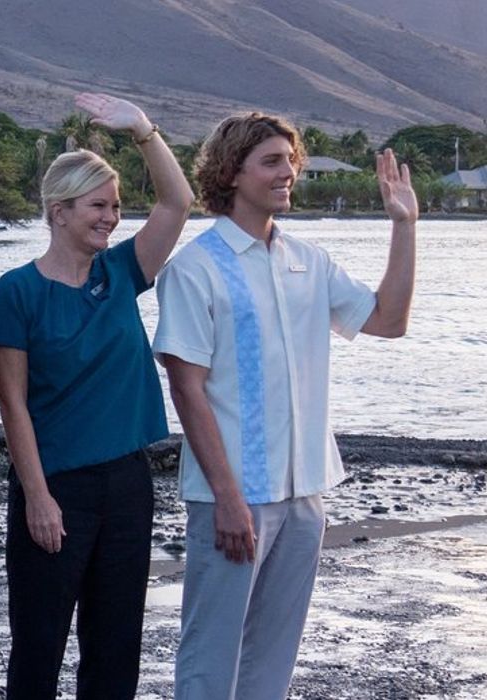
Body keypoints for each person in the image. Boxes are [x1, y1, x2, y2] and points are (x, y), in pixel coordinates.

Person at [153, 113, 418, 699]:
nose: (289, 172)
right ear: (231, 172)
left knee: (275, 656)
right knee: (210, 654)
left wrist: (404, 226)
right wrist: (226, 498)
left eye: (290, 160)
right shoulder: (194, 269)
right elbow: (186, 387)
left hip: (305, 496)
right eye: (272, 162)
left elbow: (390, 321)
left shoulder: (310, 261)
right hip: (234, 497)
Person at [0, 93, 194, 699]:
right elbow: (12, 405)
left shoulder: (121, 272)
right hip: (57, 488)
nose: (111, 218)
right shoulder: (18, 291)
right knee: (39, 647)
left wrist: (144, 131)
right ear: (59, 212)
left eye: (117, 206)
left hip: (128, 482)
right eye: (99, 206)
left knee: (116, 643)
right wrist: (37, 497)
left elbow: (178, 202)